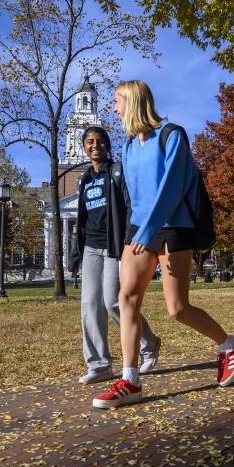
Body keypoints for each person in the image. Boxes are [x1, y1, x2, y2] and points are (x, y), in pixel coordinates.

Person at [92, 80, 234, 409]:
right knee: (126, 298)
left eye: (117, 100)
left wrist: (147, 231)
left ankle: (228, 344)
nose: (114, 107)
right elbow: (132, 196)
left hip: (172, 227)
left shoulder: (171, 135)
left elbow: (171, 187)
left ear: (133, 101)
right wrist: (135, 231)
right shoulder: (130, 145)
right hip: (140, 229)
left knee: (178, 308)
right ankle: (130, 380)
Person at [69, 126, 162, 385]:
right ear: (84, 146)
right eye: (89, 141)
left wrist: (130, 239)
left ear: (108, 145)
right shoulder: (85, 178)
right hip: (90, 248)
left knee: (113, 302)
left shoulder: (118, 170)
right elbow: (81, 219)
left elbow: (130, 206)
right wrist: (76, 255)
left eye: (100, 141)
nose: (95, 145)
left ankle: (149, 344)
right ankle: (99, 365)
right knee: (89, 306)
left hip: (115, 245)